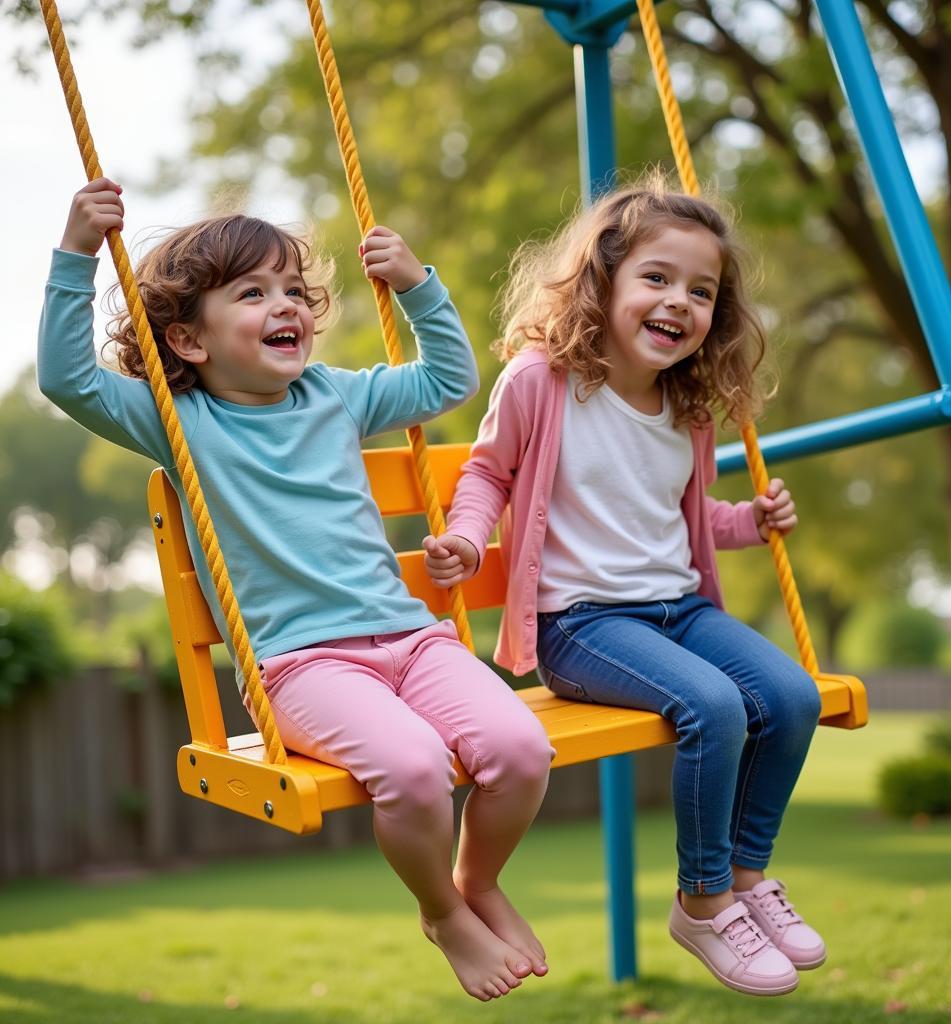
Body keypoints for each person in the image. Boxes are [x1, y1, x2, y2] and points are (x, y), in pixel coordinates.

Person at [39, 178, 554, 1002]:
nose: (287, 305)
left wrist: (418, 286)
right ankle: (441, 912)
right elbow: (68, 382)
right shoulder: (180, 421)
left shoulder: (336, 395)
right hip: (303, 667)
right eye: (252, 292)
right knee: (417, 769)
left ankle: (478, 881)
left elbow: (447, 380)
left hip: (414, 641)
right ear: (190, 340)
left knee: (524, 750)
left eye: (293, 290)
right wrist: (75, 253)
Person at [423, 175, 825, 997]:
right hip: (583, 625)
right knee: (712, 709)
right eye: (658, 278)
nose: (680, 301)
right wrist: (468, 539)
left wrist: (749, 521)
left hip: (677, 609)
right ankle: (703, 902)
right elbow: (486, 474)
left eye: (702, 291)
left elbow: (680, 517)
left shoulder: (688, 406)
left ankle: (747, 881)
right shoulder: (543, 381)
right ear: (601, 280)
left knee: (792, 695)